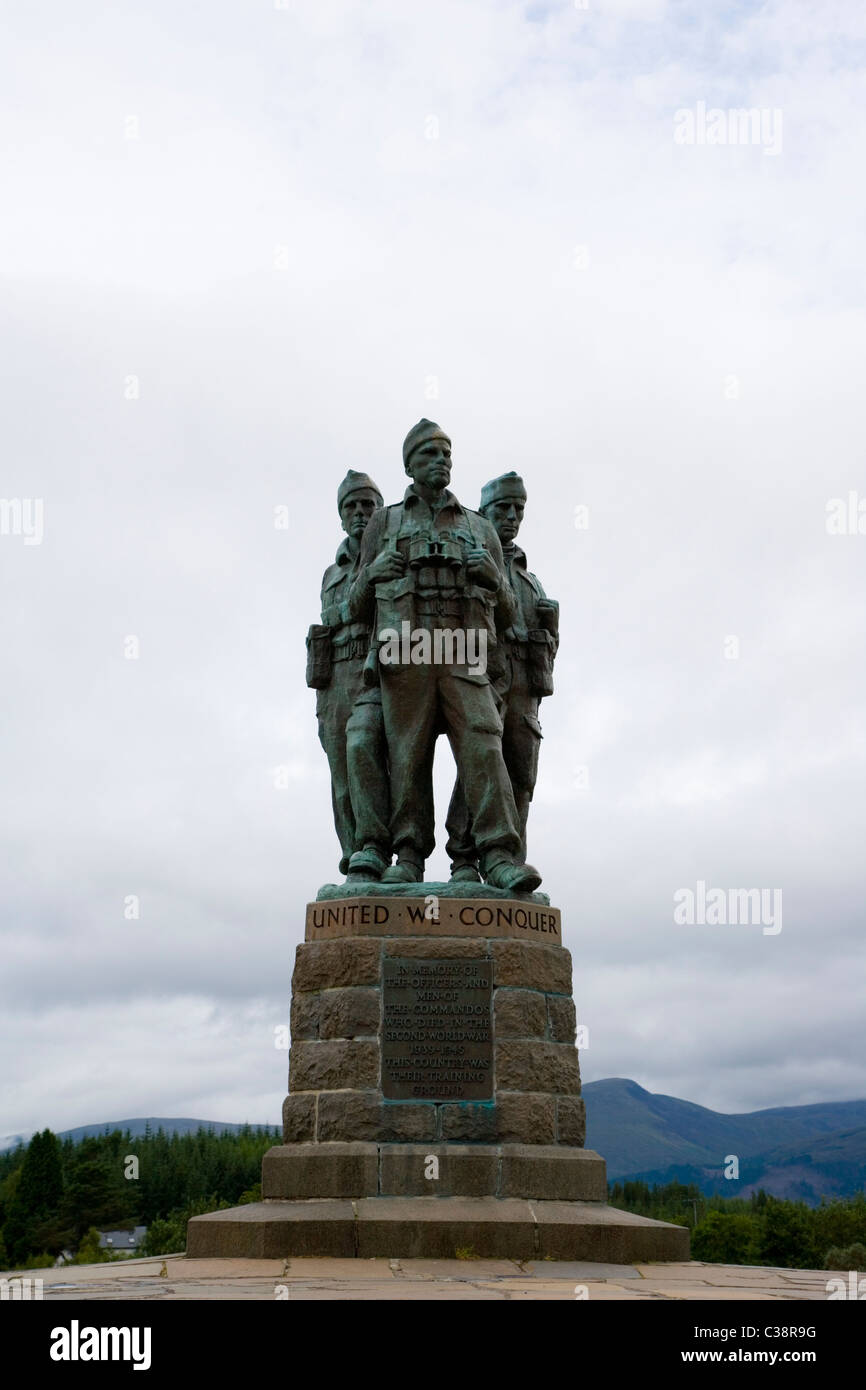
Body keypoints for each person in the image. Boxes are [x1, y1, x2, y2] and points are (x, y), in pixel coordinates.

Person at [350, 420, 542, 892]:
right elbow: (356, 609)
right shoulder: (385, 522)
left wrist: (494, 579)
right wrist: (373, 573)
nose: (441, 462)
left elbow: (511, 613)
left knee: (483, 742)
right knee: (407, 754)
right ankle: (409, 856)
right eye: (430, 454)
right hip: (405, 650)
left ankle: (496, 854)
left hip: (465, 650)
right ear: (409, 465)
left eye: (446, 454)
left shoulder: (479, 527)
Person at [445, 472, 558, 879]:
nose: (511, 517)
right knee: (478, 766)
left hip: (525, 688)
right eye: (502, 509)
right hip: (483, 677)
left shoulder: (531, 581)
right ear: (485, 512)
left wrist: (549, 630)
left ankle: (509, 861)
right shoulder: (469, 559)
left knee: (521, 773)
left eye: (518, 510)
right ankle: (464, 856)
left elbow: (550, 646)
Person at [306, 471, 390, 878]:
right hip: (334, 676)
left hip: (376, 670)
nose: (359, 512)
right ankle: (353, 854)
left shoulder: (389, 554)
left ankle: (376, 846)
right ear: (341, 516)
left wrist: (343, 614)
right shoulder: (331, 573)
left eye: (367, 504)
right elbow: (331, 618)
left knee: (367, 755)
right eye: (350, 506)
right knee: (341, 773)